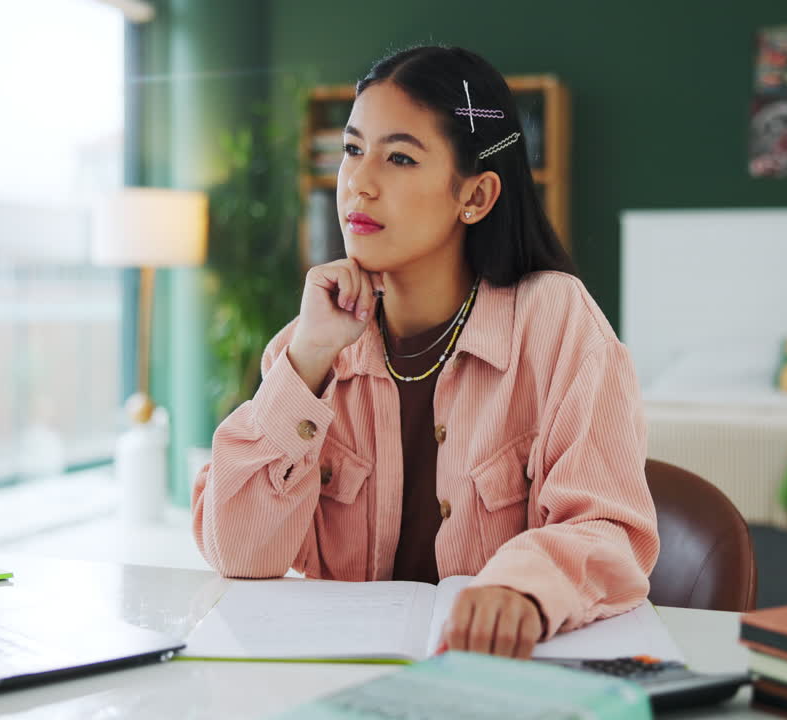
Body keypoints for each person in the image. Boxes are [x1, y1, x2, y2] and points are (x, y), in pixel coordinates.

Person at [192, 45, 658, 660]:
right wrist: (305, 363)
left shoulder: (555, 320)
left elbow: (609, 528)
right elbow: (241, 555)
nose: (359, 181)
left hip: (500, 684)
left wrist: (521, 591)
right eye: (353, 150)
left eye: (400, 157)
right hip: (345, 679)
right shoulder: (309, 345)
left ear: (477, 195)